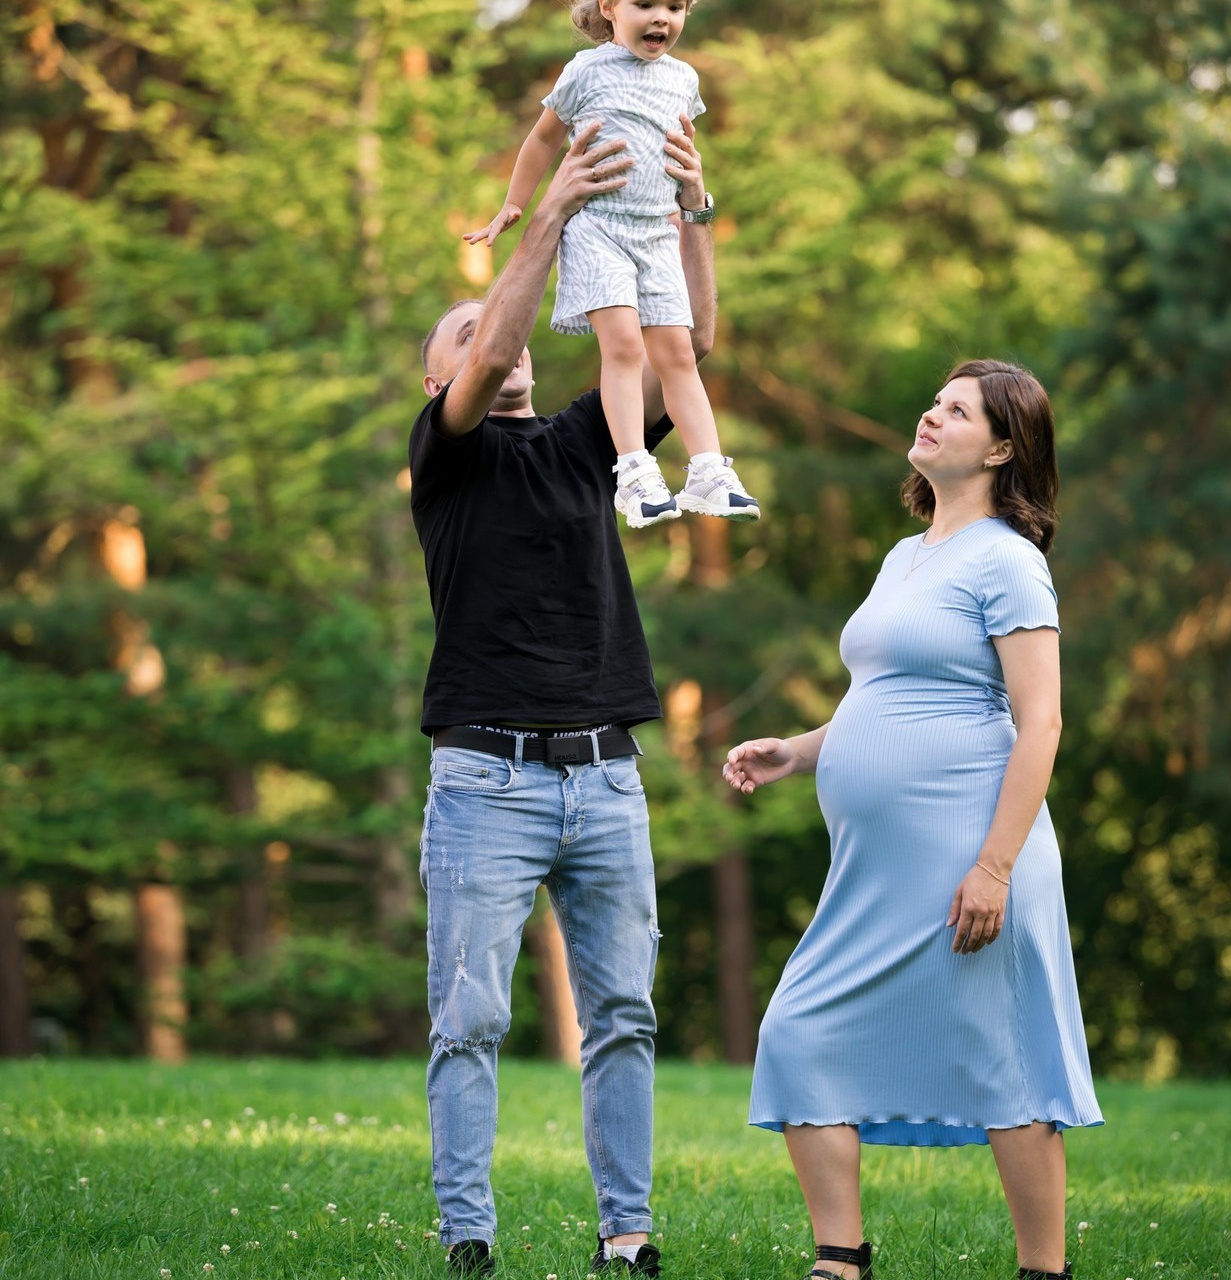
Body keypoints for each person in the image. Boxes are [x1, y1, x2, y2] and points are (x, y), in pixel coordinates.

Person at [409, 116, 716, 1279]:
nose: (506, 342)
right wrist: (547, 217)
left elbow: (690, 347)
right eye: (470, 334)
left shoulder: (588, 444)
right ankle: (467, 1235)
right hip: (483, 779)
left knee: (624, 1016)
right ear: (440, 372)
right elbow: (489, 351)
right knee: (471, 1021)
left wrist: (690, 211)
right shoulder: (445, 456)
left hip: (604, 776)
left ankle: (626, 1234)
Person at [723, 360, 1103, 1280]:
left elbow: (1040, 721)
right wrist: (801, 750)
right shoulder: (908, 555)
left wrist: (996, 868)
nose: (932, 415)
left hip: (972, 850)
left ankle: (1042, 1271)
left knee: (1003, 1062)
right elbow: (888, 698)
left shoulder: (1010, 560)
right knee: (800, 1029)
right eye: (933, 400)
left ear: (1003, 447)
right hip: (878, 867)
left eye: (958, 410)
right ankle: (840, 1258)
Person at [464, 0, 759, 530]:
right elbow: (543, 138)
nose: (661, 18)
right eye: (645, 4)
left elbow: (678, 153)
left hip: (656, 231)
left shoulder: (683, 79)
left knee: (678, 353)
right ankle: (634, 470)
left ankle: (708, 470)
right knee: (623, 344)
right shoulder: (586, 70)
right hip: (599, 227)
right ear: (609, 8)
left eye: (674, 6)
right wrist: (515, 201)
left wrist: (693, 199)